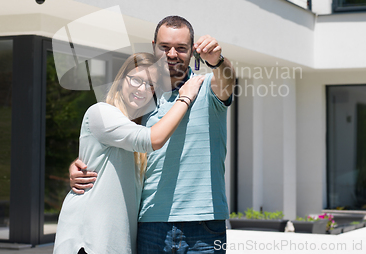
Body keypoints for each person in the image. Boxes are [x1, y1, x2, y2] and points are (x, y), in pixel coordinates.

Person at [70, 16, 235, 253]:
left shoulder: (207, 86)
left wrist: (218, 61)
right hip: (150, 223)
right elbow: (113, 142)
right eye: (164, 47)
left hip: (204, 224)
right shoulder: (141, 99)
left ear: (192, 52)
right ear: (153, 46)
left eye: (181, 48)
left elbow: (228, 80)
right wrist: (81, 165)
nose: (172, 54)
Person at [53, 52, 205, 254]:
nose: (142, 89)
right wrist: (185, 98)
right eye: (136, 79)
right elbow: (153, 140)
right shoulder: (101, 112)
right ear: (121, 79)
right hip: (89, 241)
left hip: (116, 242)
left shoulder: (136, 127)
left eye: (150, 84)